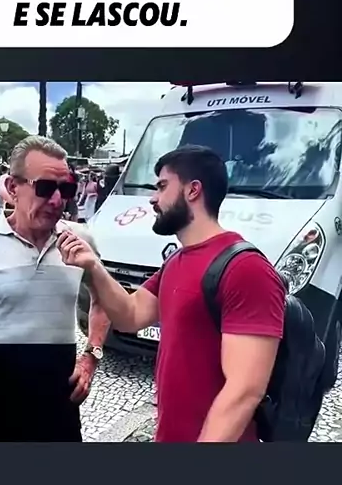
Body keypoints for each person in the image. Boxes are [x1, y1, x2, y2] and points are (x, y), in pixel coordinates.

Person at [57, 144, 286, 443]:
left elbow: (245, 390)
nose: (153, 198)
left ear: (193, 190)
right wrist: (93, 267)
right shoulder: (176, 261)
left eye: (162, 186)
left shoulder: (247, 269)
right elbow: (130, 316)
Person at [0, 135, 111, 442]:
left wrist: (92, 354)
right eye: (45, 188)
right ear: (13, 188)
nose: (57, 200)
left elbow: (104, 299)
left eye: (66, 189)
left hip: (60, 416)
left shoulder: (80, 242)